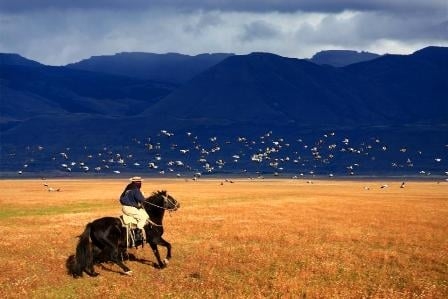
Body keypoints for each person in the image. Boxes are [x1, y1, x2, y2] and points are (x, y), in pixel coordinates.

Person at [119, 176, 149, 243]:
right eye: (140, 182)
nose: (141, 183)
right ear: (137, 182)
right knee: (143, 217)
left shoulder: (127, 188)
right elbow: (141, 199)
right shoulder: (135, 190)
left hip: (125, 208)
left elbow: (121, 199)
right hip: (130, 208)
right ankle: (138, 233)